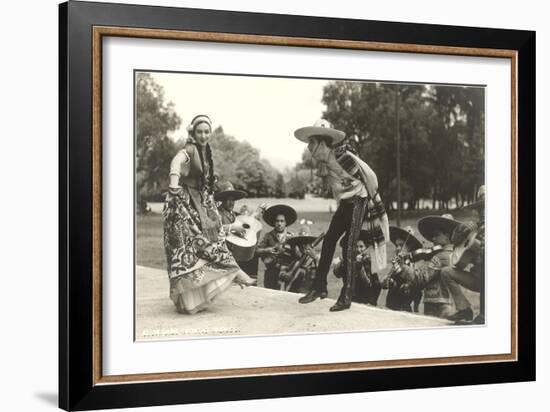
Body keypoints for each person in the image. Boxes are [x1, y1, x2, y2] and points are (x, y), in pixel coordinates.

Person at [163, 114, 255, 315]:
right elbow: (176, 161)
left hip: (199, 200)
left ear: (210, 133)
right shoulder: (190, 149)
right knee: (189, 246)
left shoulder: (206, 152)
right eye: (200, 132)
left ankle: (229, 273)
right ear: (193, 133)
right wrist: (174, 184)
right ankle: (232, 272)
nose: (203, 135)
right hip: (183, 202)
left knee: (212, 239)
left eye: (206, 132)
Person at [294, 119, 389, 312]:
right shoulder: (325, 165)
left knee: (348, 247)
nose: (309, 148)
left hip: (360, 200)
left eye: (312, 143)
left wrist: (372, 199)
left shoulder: (343, 156)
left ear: (322, 143)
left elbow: (370, 176)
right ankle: (319, 287)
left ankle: (346, 296)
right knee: (329, 241)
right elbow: (338, 190)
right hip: (347, 203)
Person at [396, 214, 462, 319]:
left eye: (437, 235)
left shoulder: (440, 257)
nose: (433, 238)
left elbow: (422, 278)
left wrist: (403, 267)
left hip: (438, 305)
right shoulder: (452, 254)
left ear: (447, 236)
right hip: (446, 302)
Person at [441, 185, 486, 324]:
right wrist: (461, 230)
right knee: (446, 272)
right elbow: (454, 243)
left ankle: (484, 316)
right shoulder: (475, 227)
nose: (482, 212)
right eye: (480, 208)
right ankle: (464, 309)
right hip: (477, 278)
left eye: (484, 207)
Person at [333, 231, 381, 306]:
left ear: (366, 247)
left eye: (361, 246)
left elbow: (374, 285)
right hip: (348, 298)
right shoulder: (348, 262)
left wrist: (372, 301)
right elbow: (338, 274)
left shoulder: (369, 262)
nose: (358, 250)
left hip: (364, 299)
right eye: (356, 246)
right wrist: (342, 263)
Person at [256, 204, 297, 290]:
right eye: (277, 221)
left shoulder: (291, 237)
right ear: (274, 222)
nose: (279, 223)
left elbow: (298, 256)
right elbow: (257, 251)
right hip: (271, 273)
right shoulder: (268, 236)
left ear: (286, 223)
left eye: (282, 221)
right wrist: (268, 250)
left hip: (287, 273)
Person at [383, 226, 424, 312]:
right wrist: (388, 281)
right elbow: (385, 285)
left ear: (409, 247)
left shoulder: (413, 265)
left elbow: (418, 290)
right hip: (390, 307)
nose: (397, 248)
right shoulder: (396, 264)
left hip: (404, 309)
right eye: (396, 245)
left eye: (401, 245)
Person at [280, 224, 320, 294]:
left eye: (307, 243)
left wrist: (315, 258)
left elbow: (322, 275)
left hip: (306, 294)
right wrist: (284, 275)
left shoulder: (316, 259)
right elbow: (282, 272)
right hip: (290, 293)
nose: (304, 246)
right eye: (301, 243)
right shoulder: (293, 257)